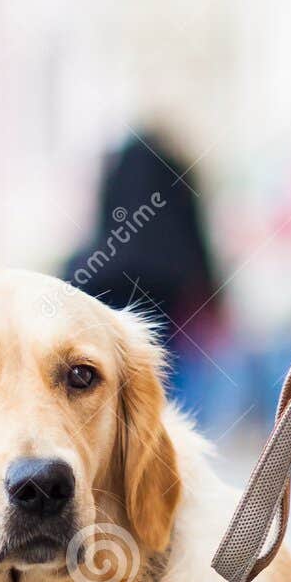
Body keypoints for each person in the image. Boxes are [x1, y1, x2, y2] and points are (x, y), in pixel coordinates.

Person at [64, 131, 222, 417]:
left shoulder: (116, 176)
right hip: (169, 295)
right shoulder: (177, 178)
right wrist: (214, 295)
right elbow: (196, 239)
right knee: (174, 396)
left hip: (109, 285)